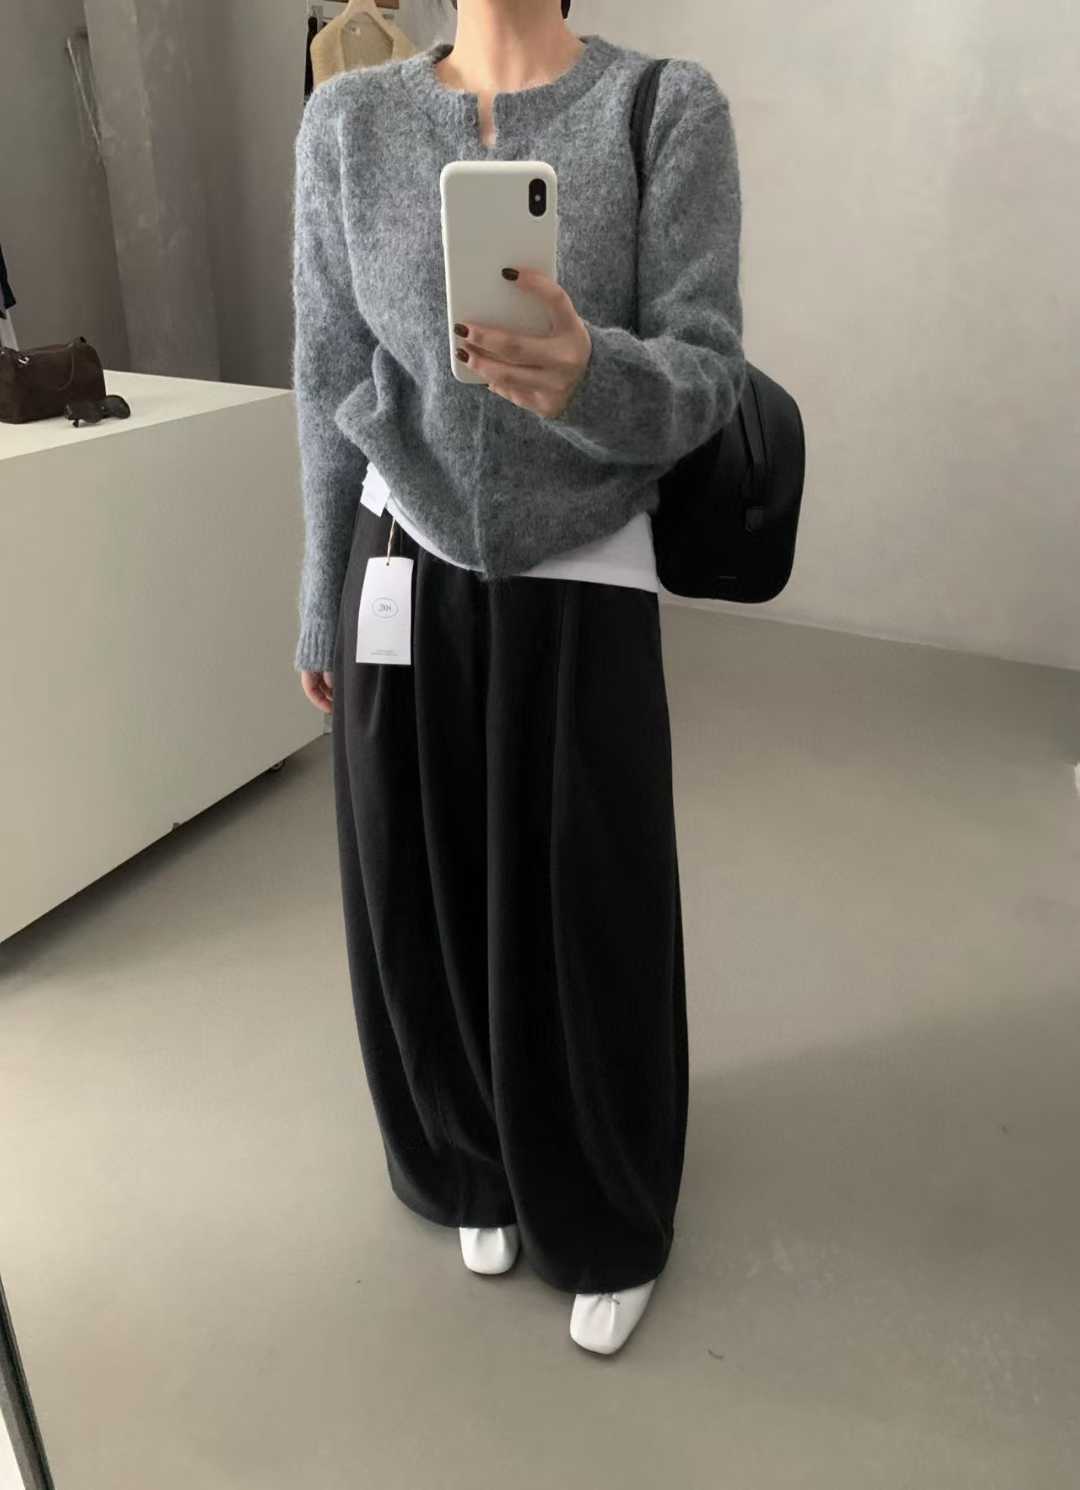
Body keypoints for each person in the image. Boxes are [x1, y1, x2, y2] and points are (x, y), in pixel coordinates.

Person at [291, 0, 746, 1355]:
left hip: (585, 572)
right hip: (401, 559)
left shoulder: (665, 109)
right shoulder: (348, 122)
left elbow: (708, 372)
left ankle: (604, 1204)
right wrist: (319, 596)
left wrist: (590, 375)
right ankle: (466, 1154)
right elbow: (328, 372)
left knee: (589, 905)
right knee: (421, 884)